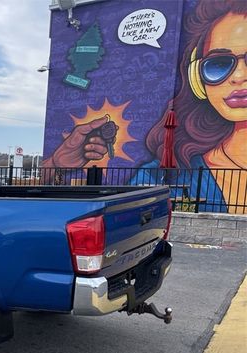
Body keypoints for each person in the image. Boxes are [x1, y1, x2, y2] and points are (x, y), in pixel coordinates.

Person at [46, 0, 247, 213]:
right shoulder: (161, 175)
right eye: (218, 64)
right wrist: (56, 164)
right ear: (197, 78)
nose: (239, 76)